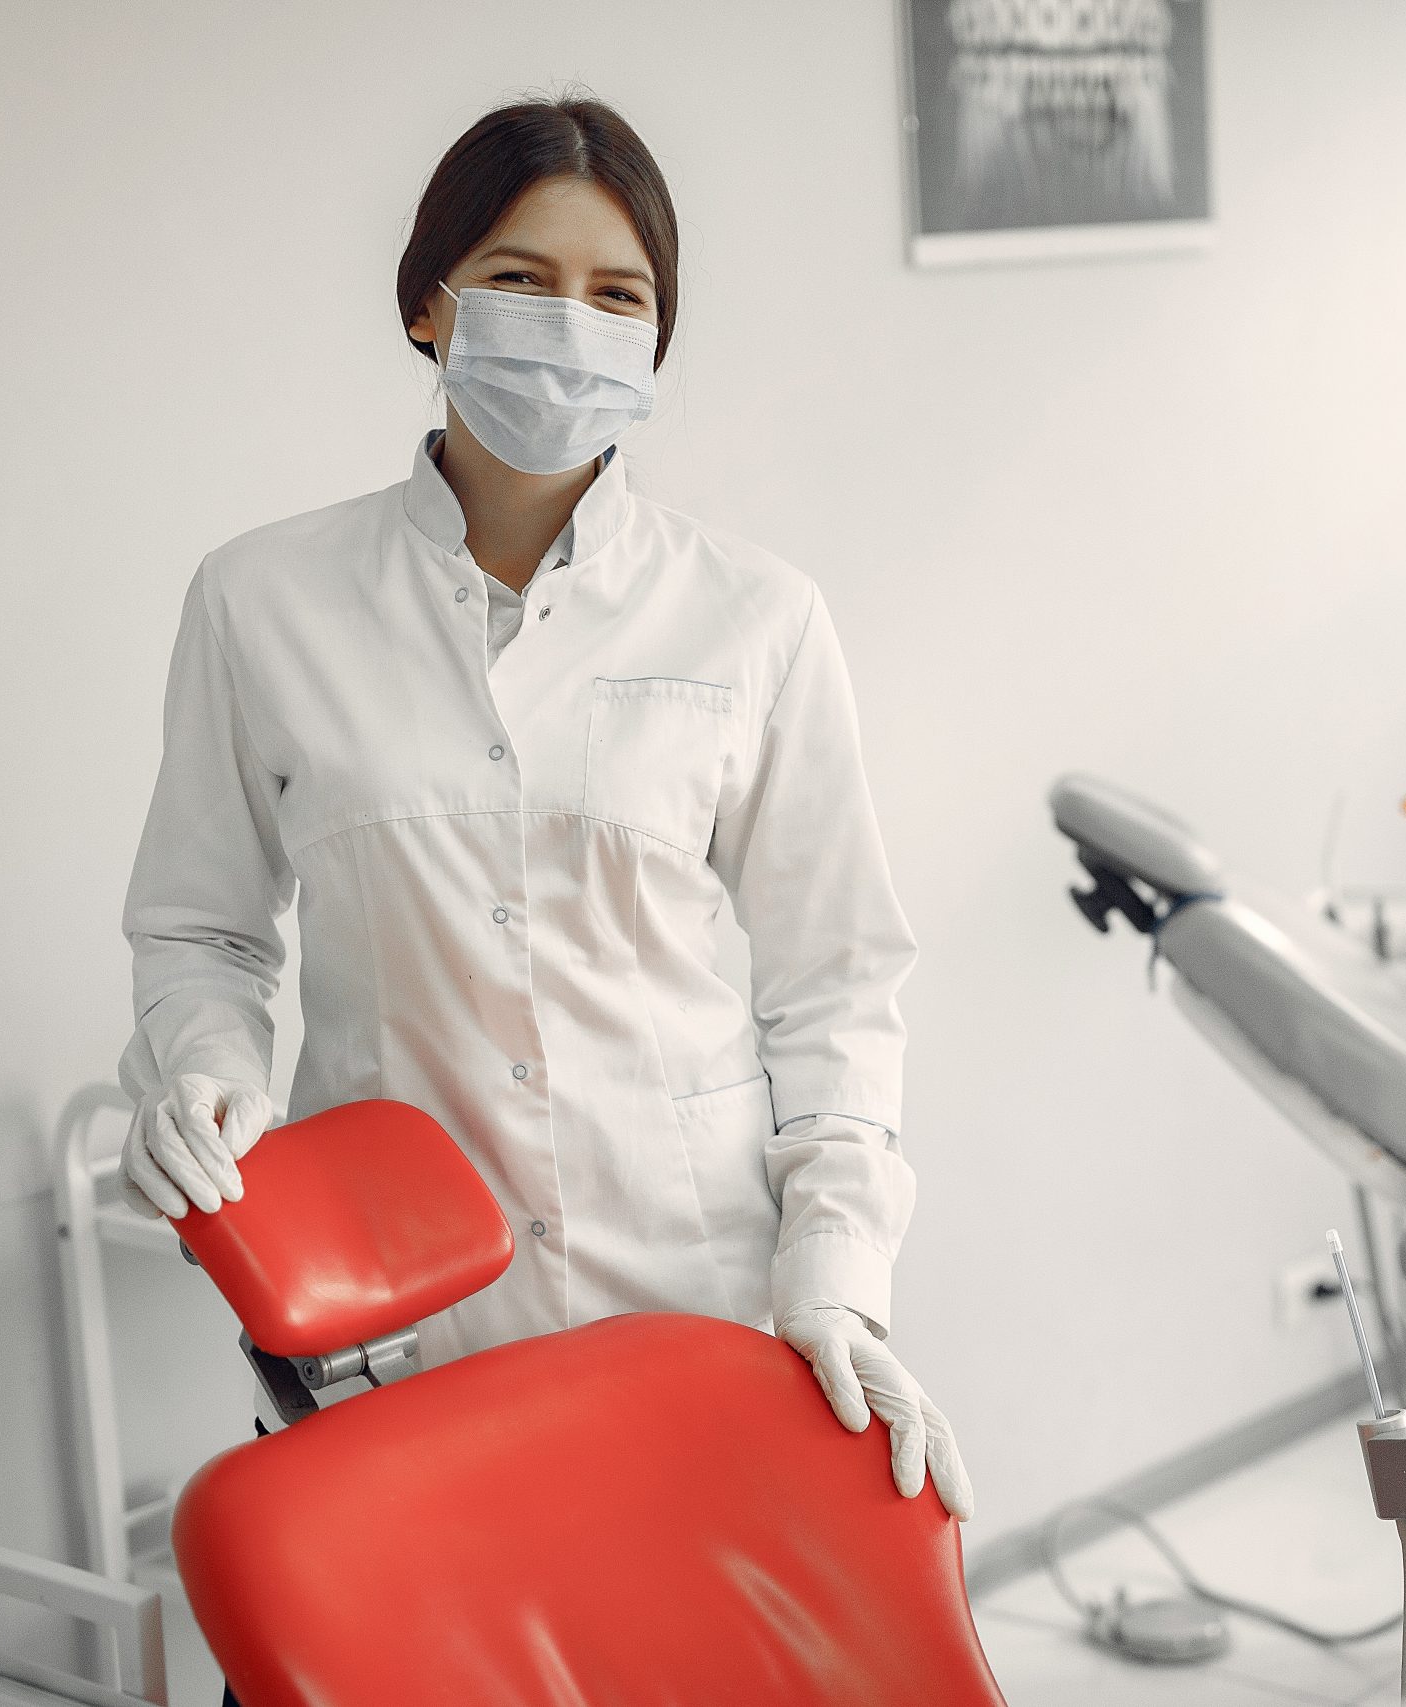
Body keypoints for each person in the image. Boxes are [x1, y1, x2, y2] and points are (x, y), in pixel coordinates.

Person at [115, 95, 969, 1539]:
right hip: (391, 1337)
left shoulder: (756, 618)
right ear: (425, 304)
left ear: (652, 345)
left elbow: (837, 988)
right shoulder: (261, 602)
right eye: (519, 279)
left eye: (616, 295)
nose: (568, 322)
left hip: (699, 1312)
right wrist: (204, 1076)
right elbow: (204, 928)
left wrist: (832, 1274)